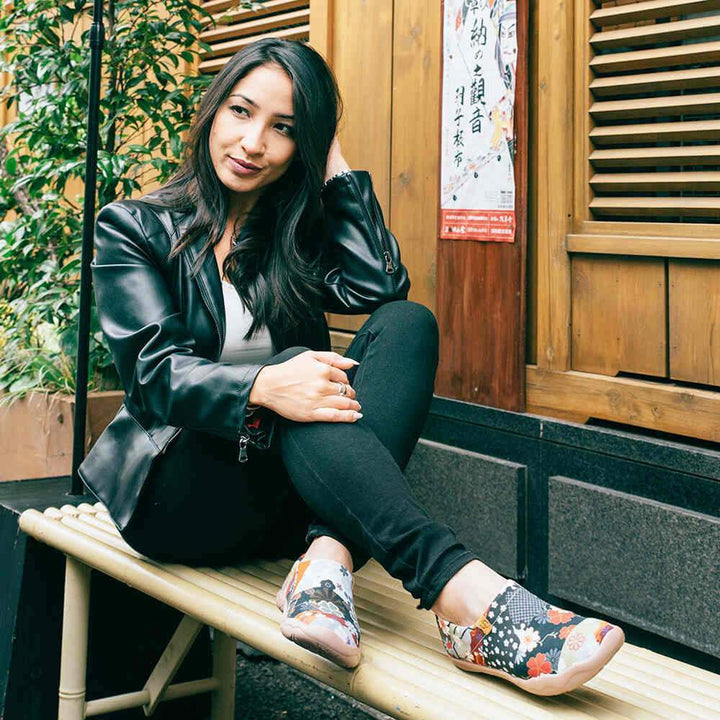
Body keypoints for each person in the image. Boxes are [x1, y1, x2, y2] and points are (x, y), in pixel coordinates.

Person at [79, 37, 625, 696]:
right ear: (212, 110)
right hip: (179, 493)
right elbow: (154, 376)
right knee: (295, 371)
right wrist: (266, 384)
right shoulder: (133, 227)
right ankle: (464, 595)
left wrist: (333, 166)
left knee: (408, 323)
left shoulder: (290, 232)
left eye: (285, 129)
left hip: (288, 493)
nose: (254, 143)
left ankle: (327, 562)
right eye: (242, 112)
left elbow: (380, 287)